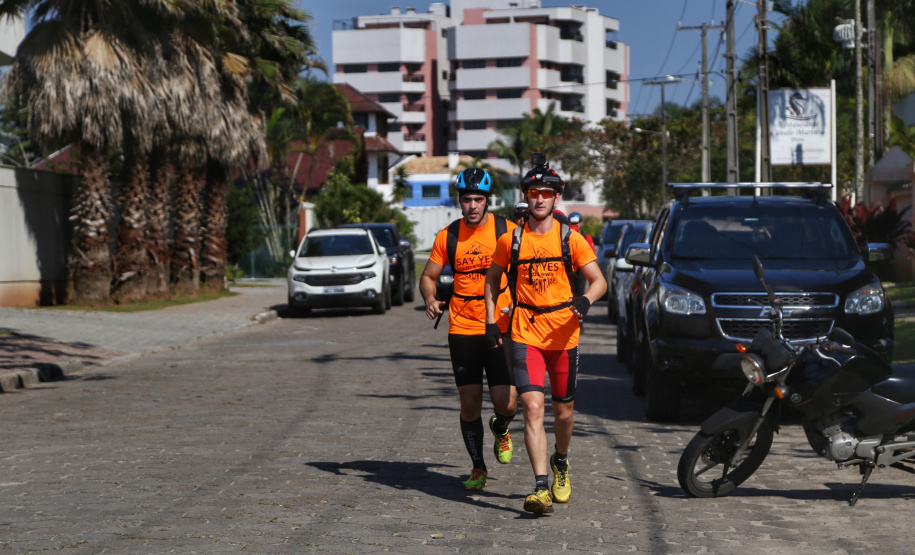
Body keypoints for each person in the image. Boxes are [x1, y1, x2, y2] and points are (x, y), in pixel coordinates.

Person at [484, 157, 607, 515]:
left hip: (565, 337)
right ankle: (540, 488)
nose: (539, 199)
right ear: (526, 197)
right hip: (525, 332)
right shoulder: (512, 241)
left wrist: (585, 298)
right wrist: (492, 320)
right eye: (534, 193)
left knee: (563, 413)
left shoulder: (572, 239)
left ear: (556, 199)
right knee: (532, 407)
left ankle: (561, 461)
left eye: (546, 194)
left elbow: (599, 281)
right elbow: (492, 278)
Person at [420, 168, 518, 492]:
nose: (473, 205)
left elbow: (525, 270)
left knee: (507, 403)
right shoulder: (447, 236)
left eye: (478, 199)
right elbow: (428, 276)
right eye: (467, 200)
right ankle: (478, 468)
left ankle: (501, 427)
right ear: (459, 202)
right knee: (469, 400)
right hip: (461, 326)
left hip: (499, 326)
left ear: (487, 200)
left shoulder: (507, 231)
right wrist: (430, 299)